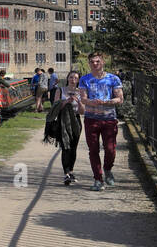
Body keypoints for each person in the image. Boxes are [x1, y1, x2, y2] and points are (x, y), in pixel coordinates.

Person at [78, 52, 123, 191]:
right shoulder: (84, 79)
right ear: (89, 63)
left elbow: (120, 99)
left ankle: (108, 169)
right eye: (92, 62)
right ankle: (98, 179)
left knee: (110, 149)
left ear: (103, 62)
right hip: (91, 119)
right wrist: (93, 102)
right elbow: (83, 99)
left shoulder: (113, 79)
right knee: (93, 150)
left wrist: (107, 102)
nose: (95, 64)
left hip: (109, 119)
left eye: (97, 61)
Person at [44, 70, 84, 186]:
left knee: (73, 147)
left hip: (76, 121)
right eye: (71, 77)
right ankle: (66, 173)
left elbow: (82, 112)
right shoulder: (60, 90)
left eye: (76, 78)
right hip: (63, 120)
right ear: (67, 79)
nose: (73, 80)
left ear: (78, 80)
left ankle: (71, 171)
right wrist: (66, 101)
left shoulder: (81, 92)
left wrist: (79, 103)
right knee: (65, 146)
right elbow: (55, 107)